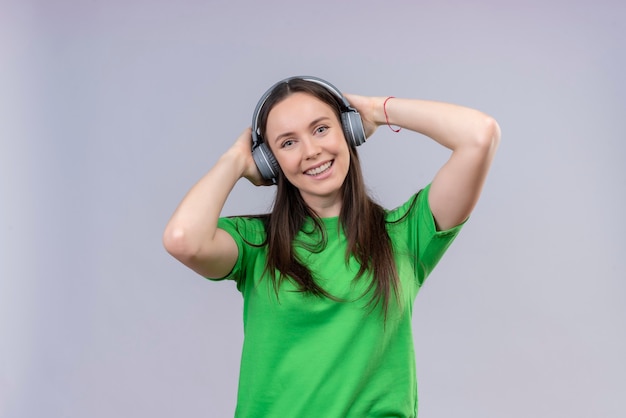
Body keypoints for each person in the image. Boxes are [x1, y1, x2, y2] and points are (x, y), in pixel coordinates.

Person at [163, 76, 500, 418]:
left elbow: (479, 135)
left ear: (348, 130)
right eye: (288, 143)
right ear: (270, 161)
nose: (311, 151)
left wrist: (374, 110)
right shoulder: (255, 244)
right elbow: (182, 240)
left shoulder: (405, 235)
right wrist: (234, 160)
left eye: (321, 129)